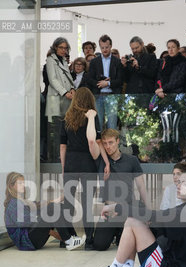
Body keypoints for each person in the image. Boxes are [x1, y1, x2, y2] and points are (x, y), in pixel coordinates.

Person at [87, 169, 186, 267]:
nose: (179, 185)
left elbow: (155, 216)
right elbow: (164, 228)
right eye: (179, 182)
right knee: (136, 221)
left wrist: (117, 207)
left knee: (132, 221)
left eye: (185, 183)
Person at [60, 87, 109, 250]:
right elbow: (97, 141)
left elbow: (62, 147)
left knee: (68, 202)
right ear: (90, 100)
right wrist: (106, 161)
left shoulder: (66, 118)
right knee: (88, 202)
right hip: (88, 162)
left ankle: (68, 238)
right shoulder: (92, 116)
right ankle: (88, 241)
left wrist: (64, 167)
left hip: (71, 162)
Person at [86, 124, 148, 251]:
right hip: (110, 210)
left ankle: (120, 232)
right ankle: (116, 231)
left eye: (111, 142)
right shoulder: (101, 161)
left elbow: (141, 187)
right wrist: (92, 118)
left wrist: (148, 211)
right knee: (99, 245)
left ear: (118, 141)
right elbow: (93, 141)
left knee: (135, 241)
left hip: (128, 208)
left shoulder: (131, 160)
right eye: (105, 143)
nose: (108, 146)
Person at [4, 172, 86, 251]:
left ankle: (71, 238)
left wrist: (56, 200)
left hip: (32, 237)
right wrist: (46, 225)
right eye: (20, 183)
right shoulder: (13, 203)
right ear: (11, 186)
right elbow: (23, 222)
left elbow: (37, 205)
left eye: (23, 183)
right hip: (27, 241)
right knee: (51, 209)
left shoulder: (21, 200)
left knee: (57, 206)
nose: (23, 185)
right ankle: (69, 241)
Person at [87, 34, 123, 130]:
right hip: (98, 95)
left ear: (111, 46)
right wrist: (100, 83)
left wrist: (108, 83)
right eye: (102, 47)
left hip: (112, 96)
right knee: (98, 124)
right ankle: (99, 144)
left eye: (106, 47)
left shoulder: (117, 61)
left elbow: (120, 80)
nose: (104, 50)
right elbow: (89, 79)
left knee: (112, 124)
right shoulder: (94, 61)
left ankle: (111, 144)